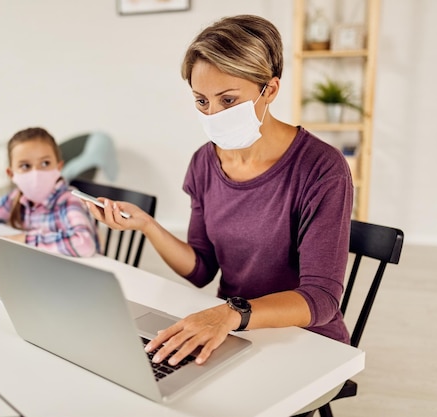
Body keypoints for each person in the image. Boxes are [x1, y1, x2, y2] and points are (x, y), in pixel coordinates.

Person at [84, 15, 353, 411]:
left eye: (228, 100)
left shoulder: (321, 168)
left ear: (270, 89)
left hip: (304, 339)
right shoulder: (203, 163)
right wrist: (147, 226)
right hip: (234, 328)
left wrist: (230, 314)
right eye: (201, 100)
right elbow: (202, 269)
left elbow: (321, 298)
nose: (212, 114)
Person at [0, 127, 99, 257]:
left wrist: (23, 239)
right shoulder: (16, 199)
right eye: (25, 166)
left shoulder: (68, 200)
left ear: (59, 166)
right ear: (11, 174)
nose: (36, 172)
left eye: (45, 163)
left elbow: (84, 243)